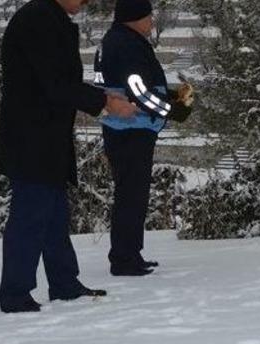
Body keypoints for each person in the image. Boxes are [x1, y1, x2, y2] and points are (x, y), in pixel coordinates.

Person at [0, 0, 138, 314]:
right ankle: (15, 293)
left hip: (46, 139)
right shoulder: (39, 19)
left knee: (54, 215)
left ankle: (64, 283)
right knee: (31, 215)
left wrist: (104, 98)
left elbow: (60, 82)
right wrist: (106, 103)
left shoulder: (49, 17)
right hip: (32, 139)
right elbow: (56, 84)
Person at [94, 0, 192, 276]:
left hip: (127, 128)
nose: (152, 22)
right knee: (131, 194)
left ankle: (130, 253)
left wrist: (170, 95)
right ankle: (124, 259)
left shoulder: (121, 40)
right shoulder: (125, 44)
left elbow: (140, 85)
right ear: (133, 17)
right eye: (148, 16)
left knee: (133, 193)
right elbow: (138, 90)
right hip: (130, 130)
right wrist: (172, 109)